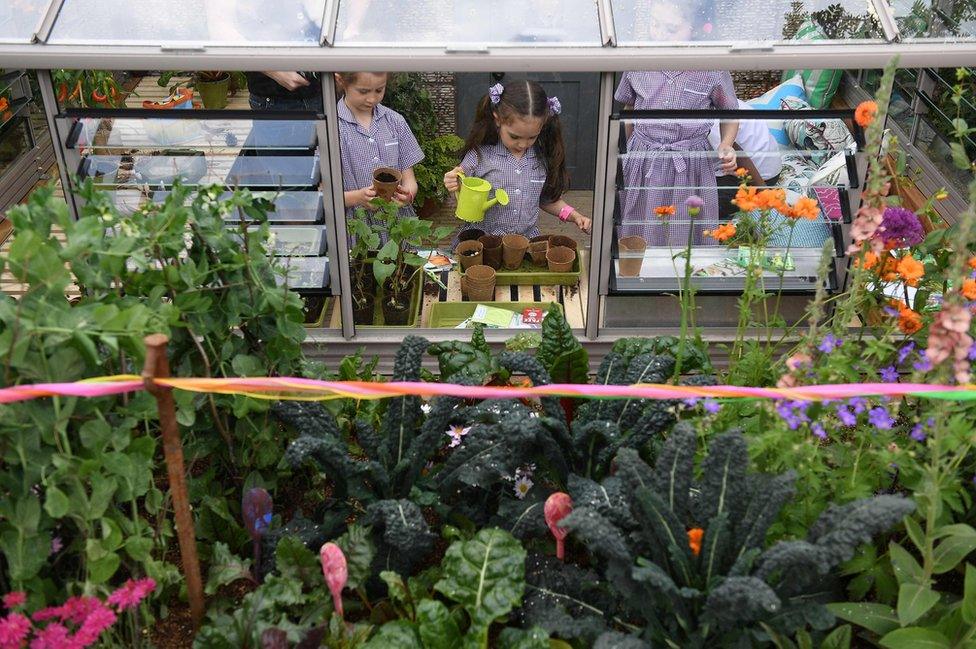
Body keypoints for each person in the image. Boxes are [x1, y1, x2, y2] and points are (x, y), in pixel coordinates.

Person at [614, 0, 738, 246]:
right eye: (654, 24)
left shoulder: (711, 67)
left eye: (670, 29)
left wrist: (726, 144)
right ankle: (635, 275)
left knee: (686, 225)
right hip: (643, 159)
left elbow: (730, 112)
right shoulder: (638, 60)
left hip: (690, 165)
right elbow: (629, 108)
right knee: (639, 218)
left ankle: (682, 278)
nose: (659, 34)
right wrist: (616, 151)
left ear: (697, 28)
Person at [443, 80, 592, 242]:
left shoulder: (542, 158)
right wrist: (454, 182)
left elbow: (547, 200)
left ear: (542, 127)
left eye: (532, 137)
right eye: (514, 136)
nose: (522, 144)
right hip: (482, 244)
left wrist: (575, 216)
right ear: (497, 120)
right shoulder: (479, 155)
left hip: (523, 246)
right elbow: (461, 188)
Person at [335, 72, 423, 238]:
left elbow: (409, 179)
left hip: (398, 226)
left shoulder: (395, 121)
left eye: (379, 90)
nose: (372, 99)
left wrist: (408, 195)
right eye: (363, 91)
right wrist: (357, 198)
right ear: (341, 81)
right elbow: (323, 195)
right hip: (355, 229)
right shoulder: (332, 127)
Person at [707, 99, 783, 219]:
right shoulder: (719, 95)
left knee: (698, 202)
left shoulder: (708, 118)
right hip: (769, 164)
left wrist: (765, 196)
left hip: (757, 175)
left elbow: (738, 154)